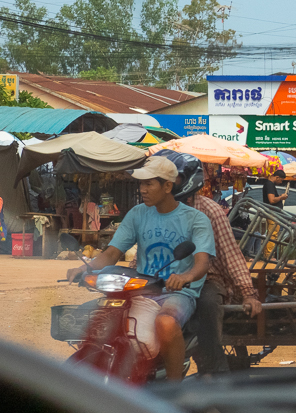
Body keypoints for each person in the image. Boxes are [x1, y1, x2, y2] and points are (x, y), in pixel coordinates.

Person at [66, 155, 215, 382]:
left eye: (149, 184)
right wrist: (84, 268)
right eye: (141, 183)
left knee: (166, 322)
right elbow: (112, 253)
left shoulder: (196, 219)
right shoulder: (137, 214)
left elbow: (202, 263)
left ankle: (173, 386)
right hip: (141, 290)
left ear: (167, 186)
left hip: (177, 293)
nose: (142, 189)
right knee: (95, 319)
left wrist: (185, 277)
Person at [161, 152, 261, 376]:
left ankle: (214, 372)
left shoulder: (209, 211)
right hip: (164, 277)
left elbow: (231, 255)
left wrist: (248, 293)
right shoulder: (153, 210)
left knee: (206, 308)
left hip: (208, 280)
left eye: (171, 178)